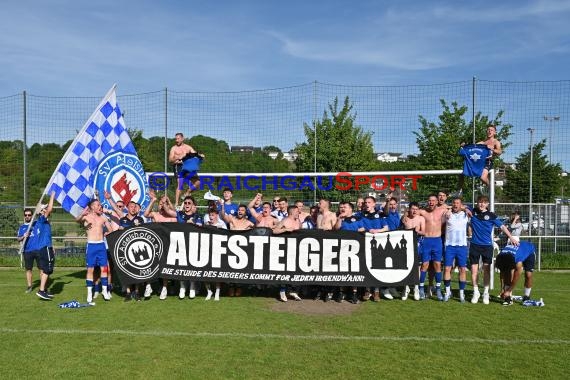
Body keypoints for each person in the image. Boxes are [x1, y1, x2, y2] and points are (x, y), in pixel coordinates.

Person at [467, 195, 519, 305]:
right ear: (477, 203)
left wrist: (510, 237)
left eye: (484, 202)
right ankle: (476, 292)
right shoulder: (472, 212)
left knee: (486, 270)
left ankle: (486, 293)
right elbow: (460, 206)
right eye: (479, 202)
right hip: (474, 245)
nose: (481, 204)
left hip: (487, 246)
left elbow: (503, 227)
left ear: (487, 204)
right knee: (474, 269)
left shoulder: (491, 216)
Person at [76, 199, 113, 303]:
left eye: (100, 205)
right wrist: (82, 214)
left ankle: (105, 291)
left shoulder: (102, 218)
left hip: (101, 245)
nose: (100, 207)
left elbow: (110, 230)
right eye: (98, 205)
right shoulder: (86, 216)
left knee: (104, 269)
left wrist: (107, 233)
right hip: (91, 245)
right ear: (92, 207)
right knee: (90, 270)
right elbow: (77, 220)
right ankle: (89, 294)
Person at [144, 190, 177, 300]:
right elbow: (145, 214)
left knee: (164, 268)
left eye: (164, 204)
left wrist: (167, 202)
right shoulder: (155, 214)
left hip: (167, 245)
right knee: (150, 265)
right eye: (161, 204)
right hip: (154, 244)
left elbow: (175, 213)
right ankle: (148, 286)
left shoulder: (172, 217)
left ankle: (164, 288)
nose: (162, 206)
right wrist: (153, 201)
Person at [454, 124, 502, 196]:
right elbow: (472, 148)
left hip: (487, 162)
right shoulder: (482, 143)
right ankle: (459, 191)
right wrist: (464, 146)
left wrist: (492, 148)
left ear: (495, 132)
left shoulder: (496, 142)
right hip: (477, 162)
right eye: (488, 130)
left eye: (491, 130)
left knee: (483, 178)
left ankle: (491, 188)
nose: (489, 131)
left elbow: (500, 152)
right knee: (462, 174)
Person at [418, 194, 447, 300]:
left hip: (437, 241)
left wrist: (465, 209)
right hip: (426, 241)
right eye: (429, 200)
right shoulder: (423, 212)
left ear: (436, 202)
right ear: (427, 201)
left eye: (433, 200)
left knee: (437, 265)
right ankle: (421, 289)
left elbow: (456, 207)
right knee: (424, 265)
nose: (431, 202)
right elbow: (411, 211)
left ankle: (438, 290)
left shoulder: (442, 211)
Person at [335, 201, 365, 303]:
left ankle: (354, 294)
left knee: (354, 271)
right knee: (342, 270)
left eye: (345, 207)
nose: (342, 208)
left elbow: (362, 228)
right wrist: (339, 219)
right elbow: (336, 229)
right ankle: (341, 292)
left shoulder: (358, 218)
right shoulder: (339, 218)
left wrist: (359, 231)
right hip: (342, 249)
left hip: (355, 250)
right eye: (341, 207)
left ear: (351, 209)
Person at [359, 196, 388, 302]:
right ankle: (367, 290)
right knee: (366, 267)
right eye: (365, 202)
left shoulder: (379, 215)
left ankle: (376, 291)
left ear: (374, 204)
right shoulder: (360, 215)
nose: (366, 204)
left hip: (378, 245)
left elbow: (386, 228)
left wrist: (377, 231)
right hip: (364, 244)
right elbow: (357, 226)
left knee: (376, 267)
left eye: (369, 202)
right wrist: (366, 229)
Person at [442, 197, 469, 302]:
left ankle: (462, 293)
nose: (455, 205)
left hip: (462, 246)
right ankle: (447, 291)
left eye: (458, 203)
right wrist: (449, 209)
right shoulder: (447, 214)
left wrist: (464, 208)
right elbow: (443, 208)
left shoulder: (465, 214)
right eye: (454, 203)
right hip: (449, 245)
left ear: (461, 204)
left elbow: (469, 208)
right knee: (447, 268)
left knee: (462, 269)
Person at [273, 205, 302, 301]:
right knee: (284, 270)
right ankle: (282, 291)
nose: (299, 213)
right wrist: (285, 229)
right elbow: (274, 231)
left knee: (296, 270)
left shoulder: (298, 221)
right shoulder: (285, 221)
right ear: (292, 212)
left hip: (297, 249)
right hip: (286, 249)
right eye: (297, 211)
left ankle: (293, 291)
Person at [496, 238, 536, 306]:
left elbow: (516, 277)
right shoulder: (501, 256)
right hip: (515, 253)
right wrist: (502, 289)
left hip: (529, 251)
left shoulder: (518, 261)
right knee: (507, 273)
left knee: (528, 275)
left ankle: (526, 297)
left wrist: (508, 290)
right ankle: (508, 299)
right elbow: (503, 274)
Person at [169, 132, 204, 207]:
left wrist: (200, 156)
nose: (176, 140)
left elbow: (195, 155)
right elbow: (170, 160)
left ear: (182, 138)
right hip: (178, 167)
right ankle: (176, 204)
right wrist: (179, 157)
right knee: (180, 184)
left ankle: (187, 192)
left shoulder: (188, 147)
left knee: (198, 182)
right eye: (176, 139)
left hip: (188, 167)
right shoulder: (174, 148)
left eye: (178, 138)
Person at [401, 201, 425, 301]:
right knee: (406, 266)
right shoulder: (404, 218)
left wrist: (417, 231)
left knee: (417, 267)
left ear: (418, 209)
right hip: (406, 244)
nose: (414, 211)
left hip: (417, 243)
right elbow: (400, 230)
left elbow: (424, 232)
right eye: (413, 209)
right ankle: (405, 288)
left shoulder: (421, 219)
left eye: (416, 209)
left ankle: (416, 288)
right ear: (409, 209)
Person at [18, 208, 40, 293]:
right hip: (27, 251)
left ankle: (43, 287)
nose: (27, 216)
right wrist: (24, 236)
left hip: (38, 250)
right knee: (28, 269)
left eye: (29, 215)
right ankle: (29, 286)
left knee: (41, 269)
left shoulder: (36, 224)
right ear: (24, 216)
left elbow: (44, 218)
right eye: (26, 215)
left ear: (31, 216)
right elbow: (18, 239)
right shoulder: (22, 227)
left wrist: (39, 211)